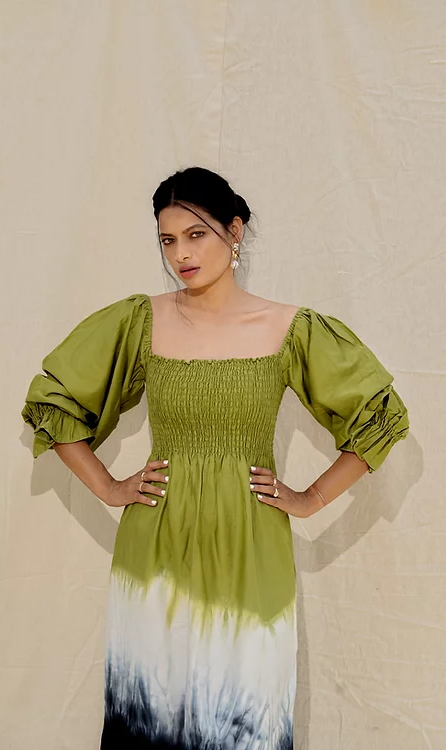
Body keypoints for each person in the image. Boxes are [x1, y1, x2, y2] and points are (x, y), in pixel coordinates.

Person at [21, 166, 410, 749]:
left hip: (251, 544)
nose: (181, 254)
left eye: (196, 234)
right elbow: (54, 399)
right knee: (152, 713)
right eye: (168, 240)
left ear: (235, 230)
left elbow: (380, 414)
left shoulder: (289, 328)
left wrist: (311, 497)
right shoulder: (140, 321)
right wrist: (107, 486)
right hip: (156, 545)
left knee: (245, 717)